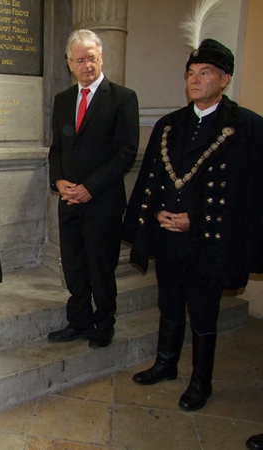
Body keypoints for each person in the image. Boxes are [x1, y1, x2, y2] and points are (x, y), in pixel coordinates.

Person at [123, 38, 263, 411]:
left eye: (205, 73)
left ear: (225, 79)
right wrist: (155, 214)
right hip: (168, 238)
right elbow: (151, 180)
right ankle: (166, 364)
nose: (195, 80)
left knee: (202, 311)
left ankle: (202, 382)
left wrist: (196, 220)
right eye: (190, 73)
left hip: (210, 243)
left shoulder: (246, 128)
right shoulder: (170, 125)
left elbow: (248, 197)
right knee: (169, 302)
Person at [47, 29, 139, 349]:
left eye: (93, 58)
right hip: (69, 200)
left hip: (102, 202)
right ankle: (79, 322)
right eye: (80, 60)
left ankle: (104, 324)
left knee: (100, 268)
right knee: (74, 265)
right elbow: (57, 149)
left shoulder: (122, 98)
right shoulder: (63, 100)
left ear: (101, 59)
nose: (87, 65)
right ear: (69, 63)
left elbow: (125, 153)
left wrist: (90, 188)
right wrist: (59, 181)